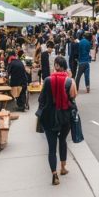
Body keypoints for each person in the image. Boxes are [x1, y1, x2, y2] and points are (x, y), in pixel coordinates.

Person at [37, 56, 77, 186]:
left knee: (51, 148)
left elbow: (41, 99)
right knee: (63, 140)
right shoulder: (70, 81)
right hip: (65, 117)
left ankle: (54, 174)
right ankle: (63, 168)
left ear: (56, 66)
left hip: (49, 117)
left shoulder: (48, 80)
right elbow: (73, 97)